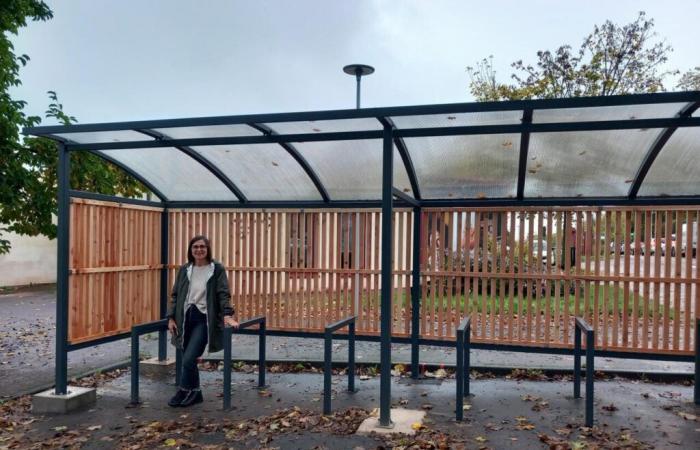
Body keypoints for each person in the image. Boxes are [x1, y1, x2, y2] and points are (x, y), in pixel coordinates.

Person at [166, 235, 239, 407]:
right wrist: (171, 317)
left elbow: (223, 293)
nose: (199, 250)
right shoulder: (185, 269)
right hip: (185, 317)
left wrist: (227, 315)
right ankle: (195, 392)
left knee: (189, 359)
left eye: (202, 247)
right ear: (190, 250)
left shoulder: (216, 269)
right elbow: (175, 295)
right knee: (186, 356)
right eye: (195, 247)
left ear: (207, 249)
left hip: (203, 319)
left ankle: (184, 390)